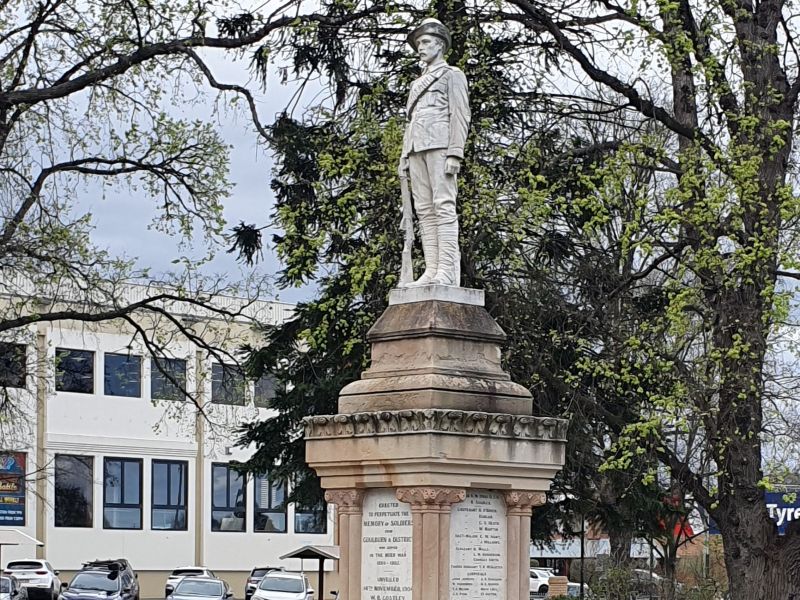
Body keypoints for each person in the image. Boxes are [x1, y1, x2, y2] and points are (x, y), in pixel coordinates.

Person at [399, 18, 470, 287]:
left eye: (426, 42)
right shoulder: (417, 83)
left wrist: (455, 152)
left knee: (443, 206)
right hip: (416, 148)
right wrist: (405, 154)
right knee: (425, 210)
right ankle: (431, 270)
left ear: (440, 45)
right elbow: (412, 119)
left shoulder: (452, 74)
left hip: (440, 145)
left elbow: (460, 114)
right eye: (418, 43)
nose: (420, 48)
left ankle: (446, 271)